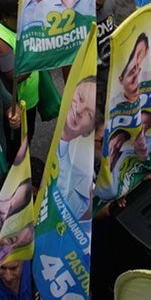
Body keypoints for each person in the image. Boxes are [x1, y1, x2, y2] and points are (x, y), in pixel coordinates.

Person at [53, 75, 98, 221]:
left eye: (89, 114)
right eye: (80, 97)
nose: (79, 110)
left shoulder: (81, 186)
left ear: (88, 132)